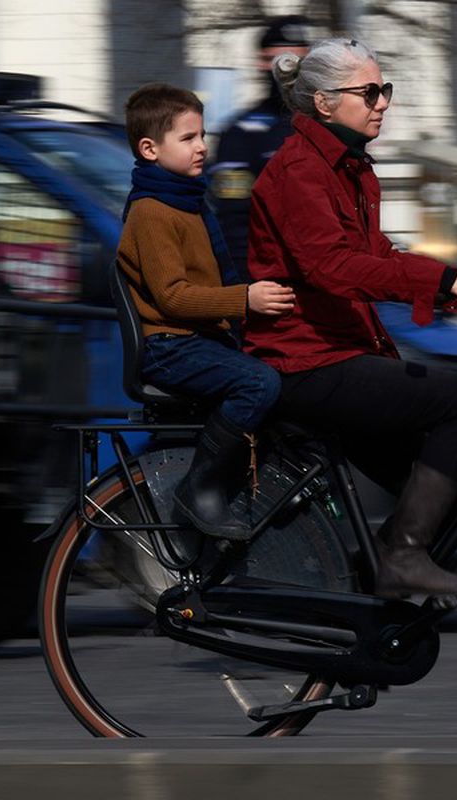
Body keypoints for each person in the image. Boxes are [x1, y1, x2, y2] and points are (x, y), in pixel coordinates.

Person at [244, 38, 457, 598]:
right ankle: (399, 559)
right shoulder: (299, 170)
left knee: (446, 492)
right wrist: (439, 281)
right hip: (306, 361)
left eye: (384, 89)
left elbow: (379, 256)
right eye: (369, 92)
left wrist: (456, 286)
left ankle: (362, 598)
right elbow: (332, 267)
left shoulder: (350, 168)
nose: (382, 102)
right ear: (325, 103)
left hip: (340, 352)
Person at [116, 83, 295, 540]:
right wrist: (245, 299)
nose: (202, 147)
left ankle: (266, 480)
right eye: (188, 138)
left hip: (195, 339)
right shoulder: (152, 211)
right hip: (169, 347)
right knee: (258, 383)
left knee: (287, 367)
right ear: (150, 149)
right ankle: (200, 488)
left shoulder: (188, 200)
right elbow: (173, 297)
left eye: (202, 135)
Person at [208, 15, 311, 276]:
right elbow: (234, 222)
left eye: (298, 61)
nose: (288, 72)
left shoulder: (327, 127)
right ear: (262, 63)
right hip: (272, 281)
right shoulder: (241, 134)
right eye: (281, 61)